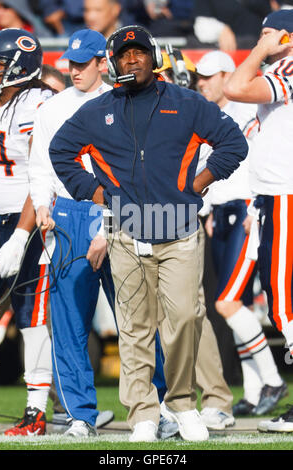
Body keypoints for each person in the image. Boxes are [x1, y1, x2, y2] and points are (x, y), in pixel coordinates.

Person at [48, 24, 248, 442]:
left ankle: (180, 403)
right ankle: (142, 412)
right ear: (114, 62)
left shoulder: (188, 102)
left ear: (153, 57)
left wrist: (198, 182)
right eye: (123, 54)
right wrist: (97, 193)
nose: (131, 59)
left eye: (138, 52)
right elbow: (60, 151)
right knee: (135, 328)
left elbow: (233, 143)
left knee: (183, 321)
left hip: (178, 231)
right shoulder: (96, 110)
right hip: (125, 233)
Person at [29, 28, 117, 437]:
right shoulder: (52, 107)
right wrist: (43, 205)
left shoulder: (123, 100)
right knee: (67, 324)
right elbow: (40, 166)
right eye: (71, 62)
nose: (75, 69)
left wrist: (113, 221)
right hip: (68, 214)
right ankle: (81, 414)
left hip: (118, 209)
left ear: (103, 62)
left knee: (136, 320)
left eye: (84, 62)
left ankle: (157, 407)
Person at [196, 49, 287, 418]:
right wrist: (209, 208)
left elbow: (261, 156)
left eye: (209, 76)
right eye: (200, 77)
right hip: (223, 210)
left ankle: (272, 379)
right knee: (239, 306)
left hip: (248, 208)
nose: (202, 83)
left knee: (227, 302)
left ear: (226, 75)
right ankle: (252, 391)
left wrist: (253, 206)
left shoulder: (248, 106)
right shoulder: (216, 113)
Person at [154, 47, 235, 432]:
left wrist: (195, 189)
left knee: (190, 313)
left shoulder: (188, 108)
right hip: (140, 220)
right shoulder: (137, 107)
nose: (159, 78)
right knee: (150, 318)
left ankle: (214, 398)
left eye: (165, 72)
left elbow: (224, 152)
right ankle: (163, 402)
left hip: (183, 219)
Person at [223, 9, 293, 432]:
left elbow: (234, 85)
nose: (262, 39)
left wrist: (266, 48)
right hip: (273, 197)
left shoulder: (287, 63)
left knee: (284, 304)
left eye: (269, 32)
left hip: (285, 194)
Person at [0, 27, 54, 436]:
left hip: (25, 219)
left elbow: (40, 174)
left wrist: (20, 233)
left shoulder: (38, 102)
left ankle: (36, 411)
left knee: (33, 317)